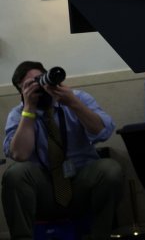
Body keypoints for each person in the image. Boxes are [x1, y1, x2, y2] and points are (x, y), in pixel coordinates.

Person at [2, 61, 124, 240]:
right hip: (44, 191)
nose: (38, 87)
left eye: (39, 80)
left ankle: (100, 235)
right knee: (15, 174)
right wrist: (29, 110)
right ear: (21, 91)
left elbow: (102, 132)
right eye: (29, 85)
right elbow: (20, 155)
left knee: (110, 170)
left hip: (82, 182)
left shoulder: (78, 98)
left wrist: (73, 103)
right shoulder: (18, 114)